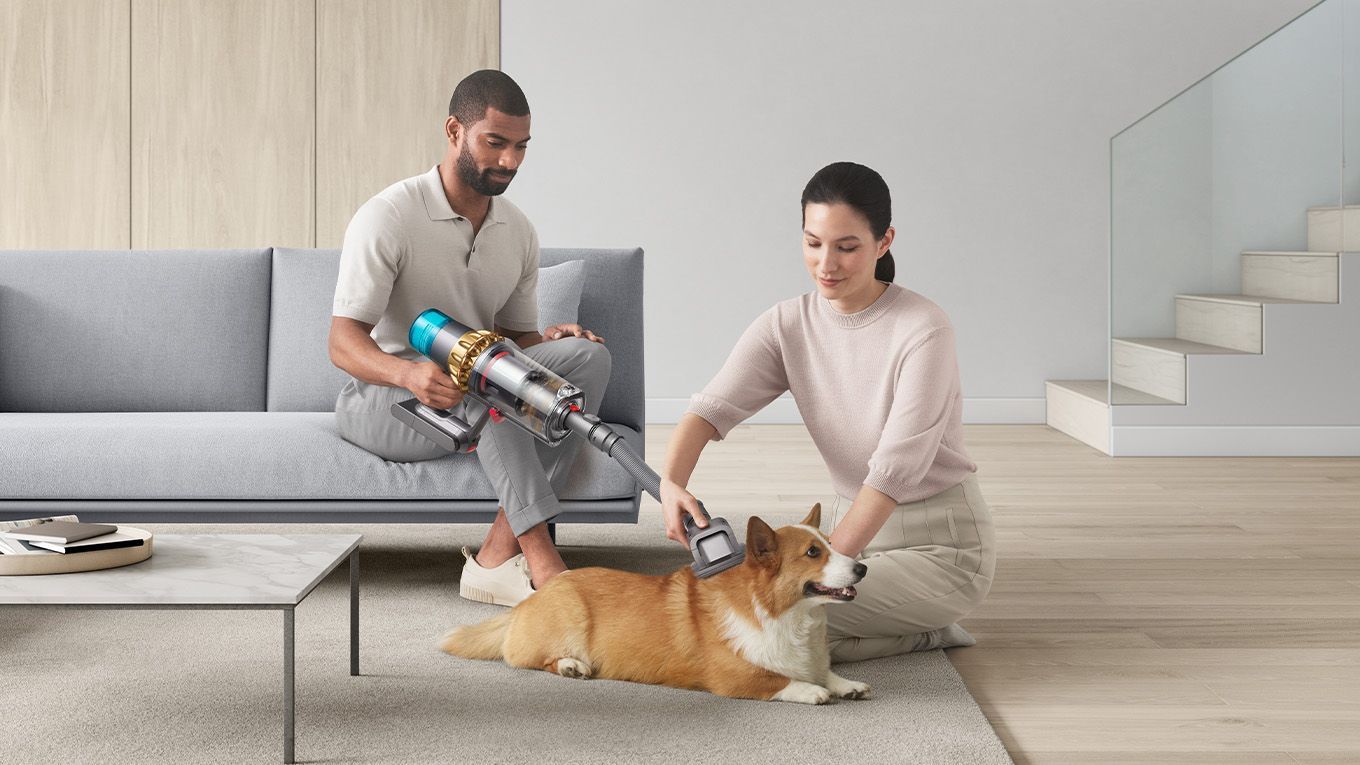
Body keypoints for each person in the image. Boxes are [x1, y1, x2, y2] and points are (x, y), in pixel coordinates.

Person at [659, 162, 995, 662]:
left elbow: (891, 476)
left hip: (939, 549)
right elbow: (709, 410)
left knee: (770, 625)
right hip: (848, 535)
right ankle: (910, 633)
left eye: (847, 246)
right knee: (744, 615)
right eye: (813, 243)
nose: (826, 264)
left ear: (884, 242)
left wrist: (820, 574)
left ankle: (929, 631)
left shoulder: (924, 329)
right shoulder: (787, 323)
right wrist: (671, 483)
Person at [327, 70, 610, 607]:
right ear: (455, 130)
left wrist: (548, 337)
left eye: (522, 147)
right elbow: (342, 343)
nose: (511, 162)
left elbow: (516, 341)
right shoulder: (389, 215)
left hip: (472, 378)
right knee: (496, 388)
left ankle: (494, 555)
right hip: (385, 398)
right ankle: (545, 563)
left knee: (586, 358)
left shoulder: (518, 231)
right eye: (495, 143)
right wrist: (408, 372)